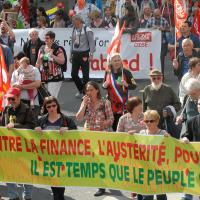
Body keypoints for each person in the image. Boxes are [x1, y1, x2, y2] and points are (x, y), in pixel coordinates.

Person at [35, 96, 77, 200]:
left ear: (57, 105)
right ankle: (56, 196)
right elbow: (32, 132)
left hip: (62, 156)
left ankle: (60, 197)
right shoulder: (42, 120)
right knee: (53, 181)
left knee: (60, 182)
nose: (52, 108)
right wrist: (36, 128)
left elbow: (76, 131)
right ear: (46, 108)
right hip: (48, 157)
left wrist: (67, 129)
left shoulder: (66, 120)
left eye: (54, 105)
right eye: (49, 106)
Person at [76, 81, 114, 197]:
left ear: (97, 90)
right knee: (94, 160)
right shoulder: (86, 103)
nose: (89, 92)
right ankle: (100, 183)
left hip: (102, 134)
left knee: (102, 160)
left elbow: (111, 118)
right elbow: (78, 118)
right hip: (89, 134)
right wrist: (83, 105)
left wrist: (105, 123)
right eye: (87, 90)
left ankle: (102, 185)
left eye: (91, 89)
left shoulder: (105, 103)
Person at [0, 87, 36, 200]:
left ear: (19, 97)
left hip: (24, 147)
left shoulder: (27, 110)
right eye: (8, 99)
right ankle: (13, 196)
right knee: (9, 171)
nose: (10, 101)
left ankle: (28, 196)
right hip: (10, 147)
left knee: (26, 172)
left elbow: (32, 126)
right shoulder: (6, 109)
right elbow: (2, 126)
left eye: (12, 99)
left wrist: (15, 126)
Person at [139, 110, 169, 200]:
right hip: (146, 171)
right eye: (146, 121)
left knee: (161, 196)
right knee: (147, 196)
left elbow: (171, 149)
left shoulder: (163, 134)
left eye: (151, 121)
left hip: (160, 171)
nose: (148, 123)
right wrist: (130, 136)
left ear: (157, 121)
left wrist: (170, 139)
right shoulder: (141, 133)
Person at [103, 53, 137, 131]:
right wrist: (104, 85)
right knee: (115, 127)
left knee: (125, 127)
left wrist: (126, 84)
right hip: (112, 105)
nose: (117, 62)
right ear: (110, 62)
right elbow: (104, 85)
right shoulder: (108, 72)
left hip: (124, 104)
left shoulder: (126, 72)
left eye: (118, 60)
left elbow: (134, 85)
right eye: (115, 61)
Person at [70, 14, 95, 98]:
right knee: (73, 74)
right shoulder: (74, 29)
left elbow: (92, 42)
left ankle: (86, 94)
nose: (73, 21)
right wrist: (70, 54)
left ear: (79, 20)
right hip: (75, 54)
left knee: (85, 76)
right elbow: (72, 43)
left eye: (74, 20)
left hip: (84, 54)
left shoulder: (86, 29)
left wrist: (91, 54)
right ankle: (82, 90)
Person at [35, 31, 65, 98]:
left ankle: (55, 108)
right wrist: (35, 72)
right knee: (46, 97)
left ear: (52, 39)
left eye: (47, 38)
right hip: (44, 77)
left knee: (51, 97)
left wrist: (53, 56)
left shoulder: (57, 49)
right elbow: (38, 63)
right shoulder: (41, 48)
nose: (45, 40)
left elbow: (62, 61)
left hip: (55, 77)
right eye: (45, 38)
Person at [146, 9, 170, 77]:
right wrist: (151, 29)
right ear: (153, 14)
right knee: (153, 59)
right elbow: (145, 30)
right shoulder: (150, 20)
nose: (157, 16)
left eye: (158, 15)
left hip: (162, 43)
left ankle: (161, 75)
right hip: (152, 43)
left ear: (160, 14)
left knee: (161, 59)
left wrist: (164, 29)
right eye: (155, 15)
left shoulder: (164, 20)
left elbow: (169, 30)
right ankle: (153, 74)